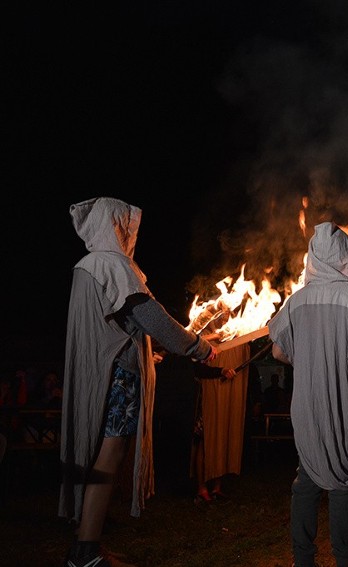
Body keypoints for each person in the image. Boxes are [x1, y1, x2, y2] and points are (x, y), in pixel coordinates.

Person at [59, 197, 218, 567]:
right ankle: (85, 552)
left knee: (102, 456)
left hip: (101, 373)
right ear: (114, 226)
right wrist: (198, 347)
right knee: (108, 457)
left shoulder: (87, 265)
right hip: (117, 379)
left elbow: (114, 327)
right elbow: (155, 320)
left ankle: (87, 543)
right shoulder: (113, 264)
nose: (130, 234)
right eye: (125, 225)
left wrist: (148, 353)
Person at [268, 221, 348, 567]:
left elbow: (278, 353)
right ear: (344, 256)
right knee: (343, 479)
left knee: (307, 478)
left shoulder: (297, 300)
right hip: (340, 401)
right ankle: (345, 558)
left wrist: (306, 362)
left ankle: (303, 559)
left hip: (306, 403)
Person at [191, 344, 250, 504]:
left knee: (222, 435)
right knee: (205, 441)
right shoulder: (204, 340)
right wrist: (220, 371)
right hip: (208, 398)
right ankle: (201, 488)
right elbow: (198, 369)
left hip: (224, 395)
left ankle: (217, 486)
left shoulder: (233, 336)